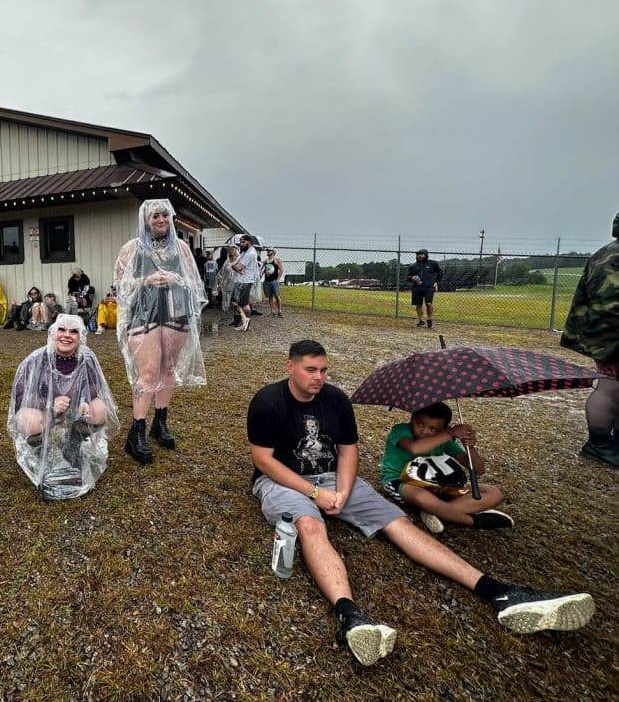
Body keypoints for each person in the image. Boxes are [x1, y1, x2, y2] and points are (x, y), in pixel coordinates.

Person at [248, 339, 594, 666]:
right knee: (310, 526)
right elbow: (263, 460)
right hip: (282, 481)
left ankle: (499, 591)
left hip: (334, 477)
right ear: (290, 366)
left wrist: (342, 490)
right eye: (311, 370)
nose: (319, 378)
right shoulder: (268, 401)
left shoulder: (335, 399)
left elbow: (348, 450)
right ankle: (350, 616)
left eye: (324, 370)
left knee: (399, 521)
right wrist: (314, 495)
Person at [114, 198, 207, 464]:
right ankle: (137, 430)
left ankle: (161, 421)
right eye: (154, 215)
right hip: (142, 315)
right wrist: (146, 280)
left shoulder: (181, 248)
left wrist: (177, 279)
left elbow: (195, 282)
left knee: (168, 368)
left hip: (175, 312)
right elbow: (119, 284)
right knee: (148, 372)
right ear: (145, 219)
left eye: (164, 215)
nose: (160, 220)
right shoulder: (131, 249)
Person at [8, 314, 119, 499]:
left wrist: (83, 399)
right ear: (53, 333)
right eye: (62, 329)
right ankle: (41, 449)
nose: (67, 335)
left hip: (74, 408)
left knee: (99, 410)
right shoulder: (36, 359)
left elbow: (94, 384)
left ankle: (73, 443)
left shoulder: (87, 358)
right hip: (45, 411)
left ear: (81, 336)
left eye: (73, 331)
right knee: (30, 422)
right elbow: (21, 395)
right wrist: (49, 404)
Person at [381, 401, 513, 533]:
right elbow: (416, 449)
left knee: (494, 493)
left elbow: (479, 470)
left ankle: (435, 512)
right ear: (412, 418)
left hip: (436, 484)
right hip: (401, 481)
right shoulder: (401, 430)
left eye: (433, 429)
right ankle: (473, 520)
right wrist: (450, 433)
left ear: (443, 429)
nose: (425, 431)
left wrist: (470, 447)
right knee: (423, 497)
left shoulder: (444, 439)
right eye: (419, 423)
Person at [561, 211, 619, 467]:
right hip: (612, 336)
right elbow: (610, 303)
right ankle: (599, 444)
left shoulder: (604, 253)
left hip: (605, 333)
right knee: (610, 387)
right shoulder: (612, 257)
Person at [407, 248, 444, 328]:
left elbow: (440, 272)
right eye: (418, 254)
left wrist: (436, 282)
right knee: (418, 305)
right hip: (417, 288)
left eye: (421, 254)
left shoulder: (432, 263)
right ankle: (421, 320)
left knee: (428, 303)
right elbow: (408, 277)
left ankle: (430, 320)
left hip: (429, 287)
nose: (419, 256)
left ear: (426, 255)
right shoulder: (413, 266)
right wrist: (412, 278)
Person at [229, 235, 258, 331]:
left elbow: (238, 268)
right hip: (241, 280)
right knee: (234, 301)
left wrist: (232, 264)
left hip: (244, 281)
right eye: (240, 242)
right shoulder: (245, 252)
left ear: (249, 242)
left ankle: (247, 322)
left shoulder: (250, 254)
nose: (240, 244)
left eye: (243, 242)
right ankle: (244, 320)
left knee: (244, 303)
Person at [262, 247, 284, 317]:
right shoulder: (265, 261)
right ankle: (272, 311)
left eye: (269, 250)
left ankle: (279, 311)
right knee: (270, 297)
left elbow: (281, 270)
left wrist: (278, 279)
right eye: (267, 250)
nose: (268, 252)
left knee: (277, 296)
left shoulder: (277, 260)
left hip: (274, 281)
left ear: (273, 252)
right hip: (267, 281)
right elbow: (262, 268)